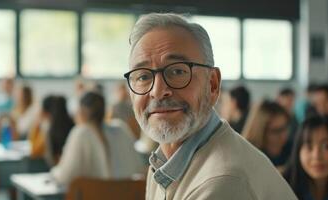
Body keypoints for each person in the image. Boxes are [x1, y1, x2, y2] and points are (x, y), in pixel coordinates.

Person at [124, 13, 296, 199]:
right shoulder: (163, 164)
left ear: (212, 84)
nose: (157, 91)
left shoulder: (223, 182)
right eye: (143, 76)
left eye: (177, 71)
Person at [48, 92, 144, 187]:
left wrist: (54, 172)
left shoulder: (80, 133)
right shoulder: (121, 128)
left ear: (82, 111)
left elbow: (65, 177)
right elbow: (139, 167)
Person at [284, 115, 328, 200]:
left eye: (326, 146)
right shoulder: (282, 187)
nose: (317, 156)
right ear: (298, 151)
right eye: (309, 146)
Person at [242, 100, 292, 168]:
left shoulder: (291, 150)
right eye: (276, 131)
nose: (283, 136)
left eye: (285, 128)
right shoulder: (248, 159)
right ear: (260, 133)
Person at [29, 95, 74, 166]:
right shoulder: (72, 124)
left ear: (45, 112)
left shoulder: (49, 129)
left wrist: (36, 124)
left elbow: (34, 151)